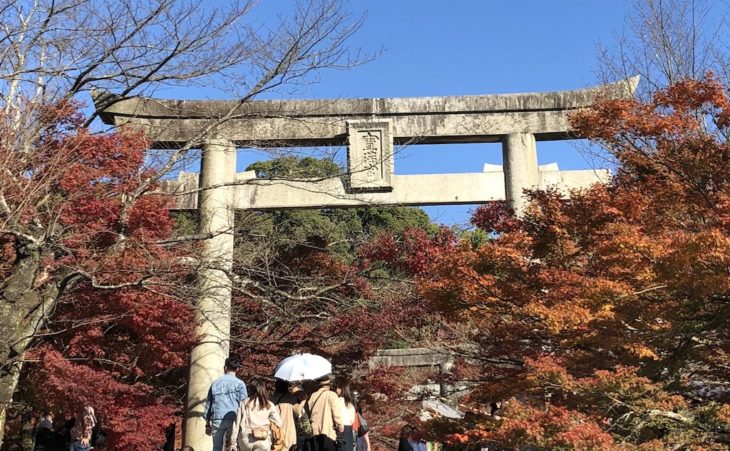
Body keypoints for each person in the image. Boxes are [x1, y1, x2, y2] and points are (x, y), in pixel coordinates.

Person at [205, 357, 249, 451]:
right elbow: (244, 404)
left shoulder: (215, 383)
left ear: (225, 368)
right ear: (237, 369)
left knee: (216, 447)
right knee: (232, 446)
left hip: (217, 417)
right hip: (234, 418)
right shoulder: (240, 384)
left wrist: (207, 423)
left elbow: (209, 403)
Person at [228, 379, 283, 451]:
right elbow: (279, 423)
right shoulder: (269, 405)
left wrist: (233, 442)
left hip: (246, 439)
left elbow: (236, 424)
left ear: (251, 389)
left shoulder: (244, 403)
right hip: (263, 438)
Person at [300, 377, 343, 451]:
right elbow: (336, 413)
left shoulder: (312, 396)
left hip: (314, 433)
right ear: (328, 385)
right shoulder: (332, 395)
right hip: (328, 432)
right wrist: (340, 424)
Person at [271, 379, 305, 451]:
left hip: (277, 433)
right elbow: (298, 413)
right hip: (290, 432)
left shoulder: (272, 399)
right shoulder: (293, 399)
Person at [334, 380, 356, 451]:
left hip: (340, 428)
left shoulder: (338, 401)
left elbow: (335, 414)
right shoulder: (351, 403)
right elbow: (352, 420)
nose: (336, 390)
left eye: (338, 388)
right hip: (349, 429)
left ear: (342, 389)